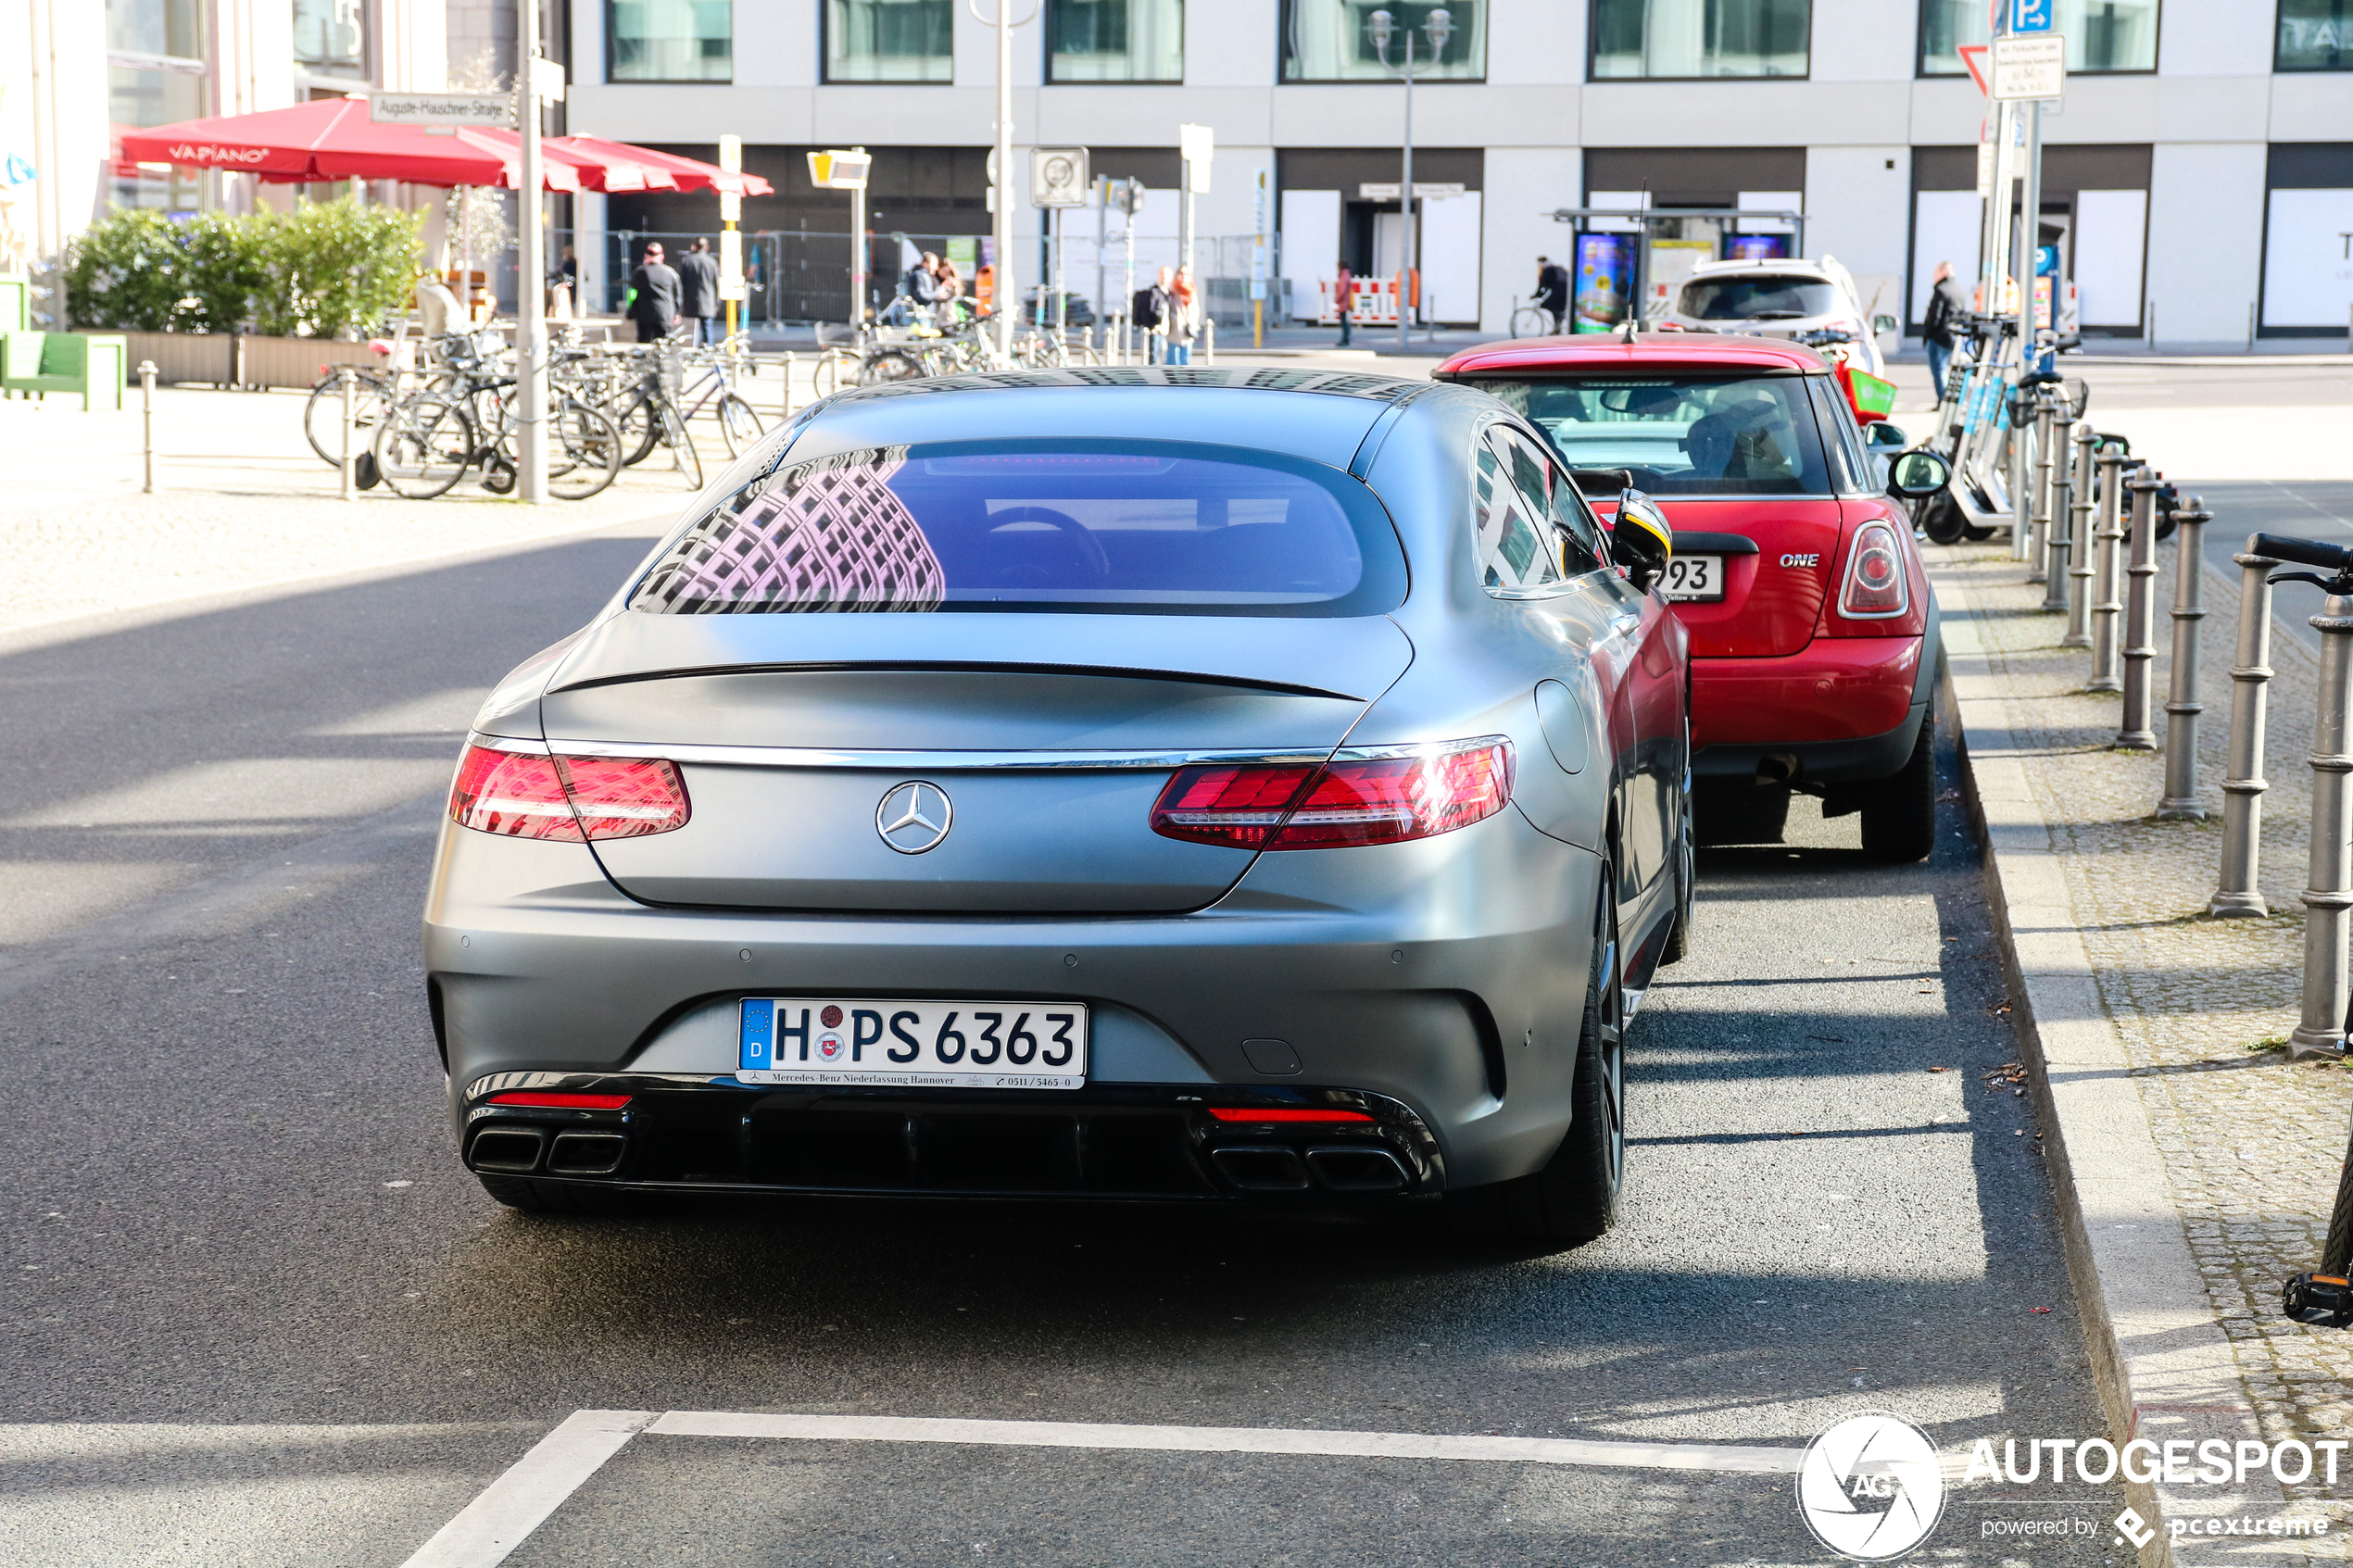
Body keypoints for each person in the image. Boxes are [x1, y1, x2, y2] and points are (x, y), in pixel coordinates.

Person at [1922, 260, 1969, 400]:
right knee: (1949, 369)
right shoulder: (1959, 290)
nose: (1933, 275)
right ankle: (1949, 401)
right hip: (1954, 336)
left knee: (1939, 370)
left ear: (1943, 272)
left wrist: (1928, 334)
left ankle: (1944, 400)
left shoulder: (1941, 290)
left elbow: (1935, 316)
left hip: (1939, 336)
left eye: (1935, 272)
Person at [626, 242, 682, 344]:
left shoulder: (639, 272)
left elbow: (632, 293)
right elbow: (677, 295)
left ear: (646, 256)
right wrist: (677, 312)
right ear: (662, 257)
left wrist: (630, 309)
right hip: (665, 315)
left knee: (644, 346)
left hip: (644, 315)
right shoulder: (670, 273)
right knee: (664, 346)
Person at [677, 237, 721, 345]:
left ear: (694, 246)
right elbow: (716, 284)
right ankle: (708, 351)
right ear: (707, 247)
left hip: (691, 300)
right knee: (707, 329)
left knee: (691, 330)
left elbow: (681, 282)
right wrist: (717, 302)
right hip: (708, 301)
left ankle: (691, 351)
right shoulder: (712, 262)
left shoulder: (687, 261)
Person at [1164, 264, 1199, 365]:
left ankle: (1184, 381)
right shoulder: (1172, 291)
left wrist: (1193, 322)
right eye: (1181, 273)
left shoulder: (1191, 292)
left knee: (1185, 360)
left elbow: (1196, 310)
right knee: (1172, 361)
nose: (1183, 276)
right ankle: (1171, 381)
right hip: (1174, 330)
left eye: (1186, 274)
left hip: (1188, 330)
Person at [1130, 268, 1166, 360]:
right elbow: (1150, 310)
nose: (1165, 277)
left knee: (1157, 357)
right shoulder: (1154, 292)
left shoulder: (1165, 292)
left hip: (1163, 330)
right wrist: (1152, 326)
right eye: (1162, 274)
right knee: (1153, 358)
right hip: (1156, 329)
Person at [1534, 255, 1570, 334]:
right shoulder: (1552, 268)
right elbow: (1547, 287)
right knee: (1557, 308)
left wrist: (1536, 295)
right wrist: (1540, 295)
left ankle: (1559, 322)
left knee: (1546, 305)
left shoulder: (1547, 270)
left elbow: (1543, 285)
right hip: (1565, 291)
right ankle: (1557, 328)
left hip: (1560, 291)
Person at [1334, 261, 1354, 347]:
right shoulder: (1347, 275)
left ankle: (1345, 340)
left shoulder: (1343, 276)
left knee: (1344, 323)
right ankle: (1346, 339)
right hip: (1346, 302)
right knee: (1346, 322)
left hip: (1344, 303)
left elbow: (1342, 290)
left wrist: (1337, 299)